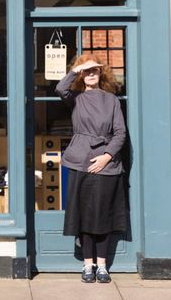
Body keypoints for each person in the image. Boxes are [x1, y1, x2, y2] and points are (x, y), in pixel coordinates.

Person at [55, 53, 127, 283]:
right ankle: (88, 265)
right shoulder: (75, 97)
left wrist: (106, 156)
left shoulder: (111, 100)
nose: (91, 74)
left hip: (106, 163)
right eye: (87, 71)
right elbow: (59, 88)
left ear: (101, 73)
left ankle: (103, 265)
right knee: (84, 215)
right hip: (80, 161)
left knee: (103, 215)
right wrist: (77, 69)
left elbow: (120, 133)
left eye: (95, 70)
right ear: (81, 75)